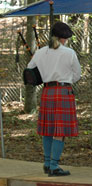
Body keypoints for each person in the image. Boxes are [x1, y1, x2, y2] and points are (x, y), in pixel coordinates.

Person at [27, 21, 81, 176]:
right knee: (59, 130)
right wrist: (66, 78)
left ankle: (46, 163)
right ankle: (54, 166)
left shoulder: (40, 52)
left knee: (48, 129)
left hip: (47, 92)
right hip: (63, 91)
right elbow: (77, 75)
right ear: (63, 38)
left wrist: (44, 72)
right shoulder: (69, 53)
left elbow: (29, 70)